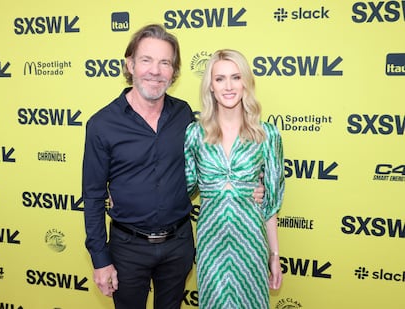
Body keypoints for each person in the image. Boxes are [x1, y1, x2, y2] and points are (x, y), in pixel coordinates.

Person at [82, 25, 264, 309]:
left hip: (178, 245)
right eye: (146, 60)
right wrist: (100, 259)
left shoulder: (186, 117)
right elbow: (92, 196)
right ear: (129, 64)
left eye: (165, 62)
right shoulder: (102, 124)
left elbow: (216, 160)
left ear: (174, 72)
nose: (155, 71)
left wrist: (250, 186)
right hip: (128, 248)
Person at [184, 49, 285, 309]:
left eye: (235, 77)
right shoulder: (195, 134)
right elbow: (184, 186)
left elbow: (271, 205)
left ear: (245, 83)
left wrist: (274, 255)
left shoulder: (267, 135)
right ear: (211, 87)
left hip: (250, 240)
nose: (228, 86)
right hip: (210, 241)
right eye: (219, 79)